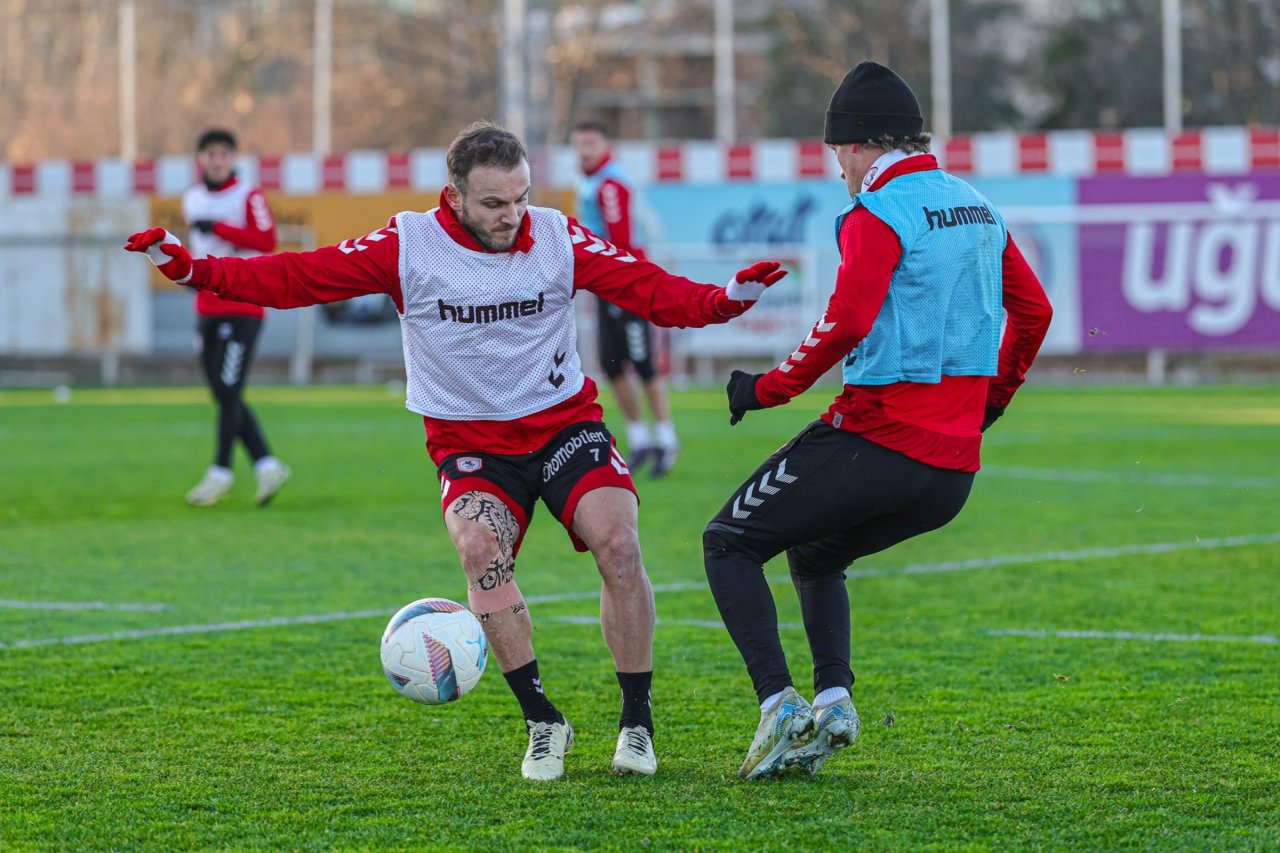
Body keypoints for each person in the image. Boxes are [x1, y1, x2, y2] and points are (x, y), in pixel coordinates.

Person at [124, 121, 787, 782]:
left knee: (620, 543)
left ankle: (636, 720)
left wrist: (724, 301)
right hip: (471, 444)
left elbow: (648, 287)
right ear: (456, 197)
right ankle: (542, 721)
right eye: (495, 203)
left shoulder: (556, 235)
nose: (512, 215)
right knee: (479, 551)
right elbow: (299, 276)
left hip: (563, 426)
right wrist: (192, 269)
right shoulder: (408, 244)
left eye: (521, 197)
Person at [702, 61, 1054, 780]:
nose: (839, 170)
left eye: (837, 154)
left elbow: (847, 319)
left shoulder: (878, 212)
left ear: (860, 145)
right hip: (953, 471)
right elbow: (1036, 311)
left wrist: (766, 388)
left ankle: (779, 706)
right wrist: (989, 405)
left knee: (728, 541)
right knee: (817, 552)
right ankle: (833, 699)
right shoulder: (977, 205)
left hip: (879, 437)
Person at [180, 128, 290, 507]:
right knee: (221, 393)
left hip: (242, 306)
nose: (217, 159)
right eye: (210, 153)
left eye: (223, 153)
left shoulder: (248, 194)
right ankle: (266, 463)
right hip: (206, 307)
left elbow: (266, 239)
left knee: (229, 390)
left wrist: (221, 227)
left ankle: (220, 471)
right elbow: (201, 249)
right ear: (201, 158)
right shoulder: (191, 198)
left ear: (232, 158)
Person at [570, 120, 678, 478]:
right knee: (612, 364)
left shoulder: (611, 184)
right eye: (579, 144)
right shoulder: (590, 181)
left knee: (642, 362)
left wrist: (622, 284)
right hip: (607, 286)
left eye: (590, 143)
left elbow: (620, 241)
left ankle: (665, 438)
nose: (584, 150)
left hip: (626, 284)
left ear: (604, 145)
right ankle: (639, 437)